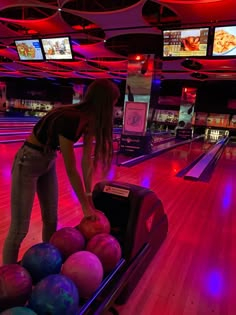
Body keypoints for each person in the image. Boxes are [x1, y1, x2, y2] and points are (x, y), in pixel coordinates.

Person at [2, 78, 120, 264]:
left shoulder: (90, 121)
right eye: (113, 104)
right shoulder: (70, 119)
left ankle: (47, 263)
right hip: (28, 161)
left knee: (51, 220)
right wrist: (83, 206)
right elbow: (71, 168)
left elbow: (86, 162)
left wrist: (89, 197)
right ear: (104, 103)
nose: (114, 110)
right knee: (19, 230)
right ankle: (5, 277)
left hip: (47, 161)